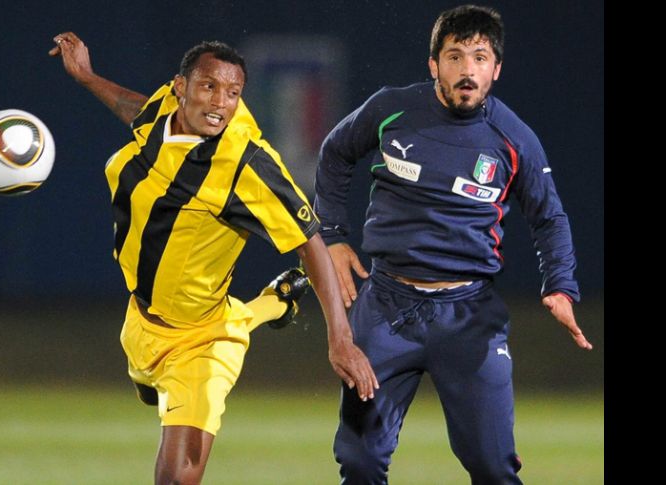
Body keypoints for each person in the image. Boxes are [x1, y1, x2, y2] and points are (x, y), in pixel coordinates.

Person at [49, 33, 378, 484]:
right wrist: (87, 78)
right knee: (148, 394)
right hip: (141, 321)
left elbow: (310, 242)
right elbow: (138, 112)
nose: (220, 103)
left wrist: (339, 337)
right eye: (208, 87)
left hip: (202, 344)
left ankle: (258, 313)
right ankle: (273, 303)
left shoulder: (245, 165)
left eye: (232, 92)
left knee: (177, 476)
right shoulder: (166, 109)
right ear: (180, 87)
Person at [313, 5, 593, 484]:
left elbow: (549, 216)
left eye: (480, 58)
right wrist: (334, 238)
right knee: (359, 463)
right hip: (385, 309)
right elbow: (335, 153)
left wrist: (560, 286)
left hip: (468, 315)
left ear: (496, 69)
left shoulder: (514, 138)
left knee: (493, 467)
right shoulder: (391, 109)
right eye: (455, 56)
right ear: (433, 65)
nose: (467, 70)